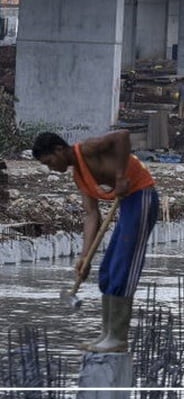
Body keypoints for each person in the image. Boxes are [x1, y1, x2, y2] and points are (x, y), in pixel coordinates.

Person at [32, 130, 159, 353]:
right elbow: (92, 216)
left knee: (123, 268)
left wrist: (120, 177)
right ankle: (107, 333)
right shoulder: (79, 176)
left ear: (59, 150)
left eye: (50, 161)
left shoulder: (88, 149)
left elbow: (122, 136)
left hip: (142, 197)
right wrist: (85, 257)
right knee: (108, 272)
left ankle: (118, 338)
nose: (51, 168)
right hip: (128, 204)